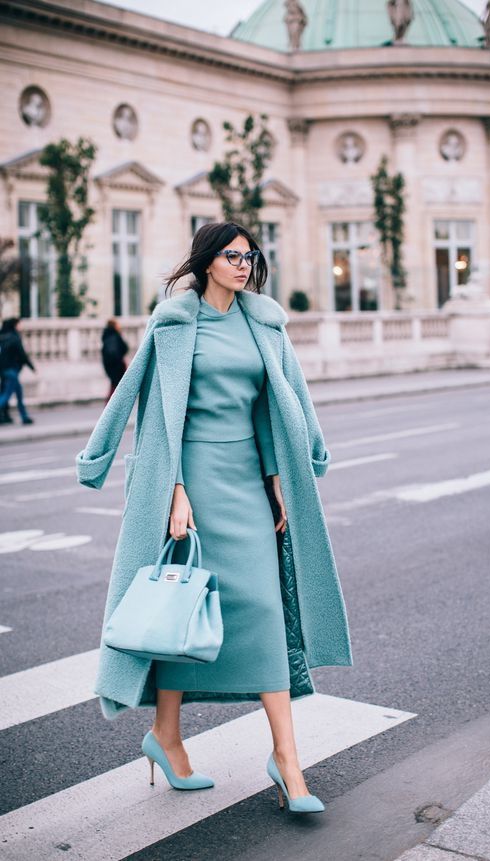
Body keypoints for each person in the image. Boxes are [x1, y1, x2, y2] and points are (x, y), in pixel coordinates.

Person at [75, 221, 352, 814]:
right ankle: (168, 739)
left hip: (247, 482)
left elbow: (276, 405)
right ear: (205, 262)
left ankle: (287, 762)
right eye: (232, 255)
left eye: (250, 255)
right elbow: (149, 408)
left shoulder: (263, 322)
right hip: (192, 477)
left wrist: (280, 479)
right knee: (184, 608)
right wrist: (173, 491)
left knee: (263, 610)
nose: (244, 264)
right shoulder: (176, 323)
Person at [0, 317, 35, 425]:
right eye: (19, 324)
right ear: (14, 325)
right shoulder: (14, 338)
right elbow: (22, 355)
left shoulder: (2, 337)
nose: (20, 326)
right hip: (11, 370)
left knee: (14, 394)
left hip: (3, 370)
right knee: (7, 395)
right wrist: (32, 367)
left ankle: (22, 417)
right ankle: (24, 417)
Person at [101, 318, 129, 403]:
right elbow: (121, 349)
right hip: (117, 366)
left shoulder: (107, 337)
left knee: (115, 385)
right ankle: (111, 405)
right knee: (117, 386)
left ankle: (112, 404)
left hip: (111, 366)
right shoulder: (115, 336)